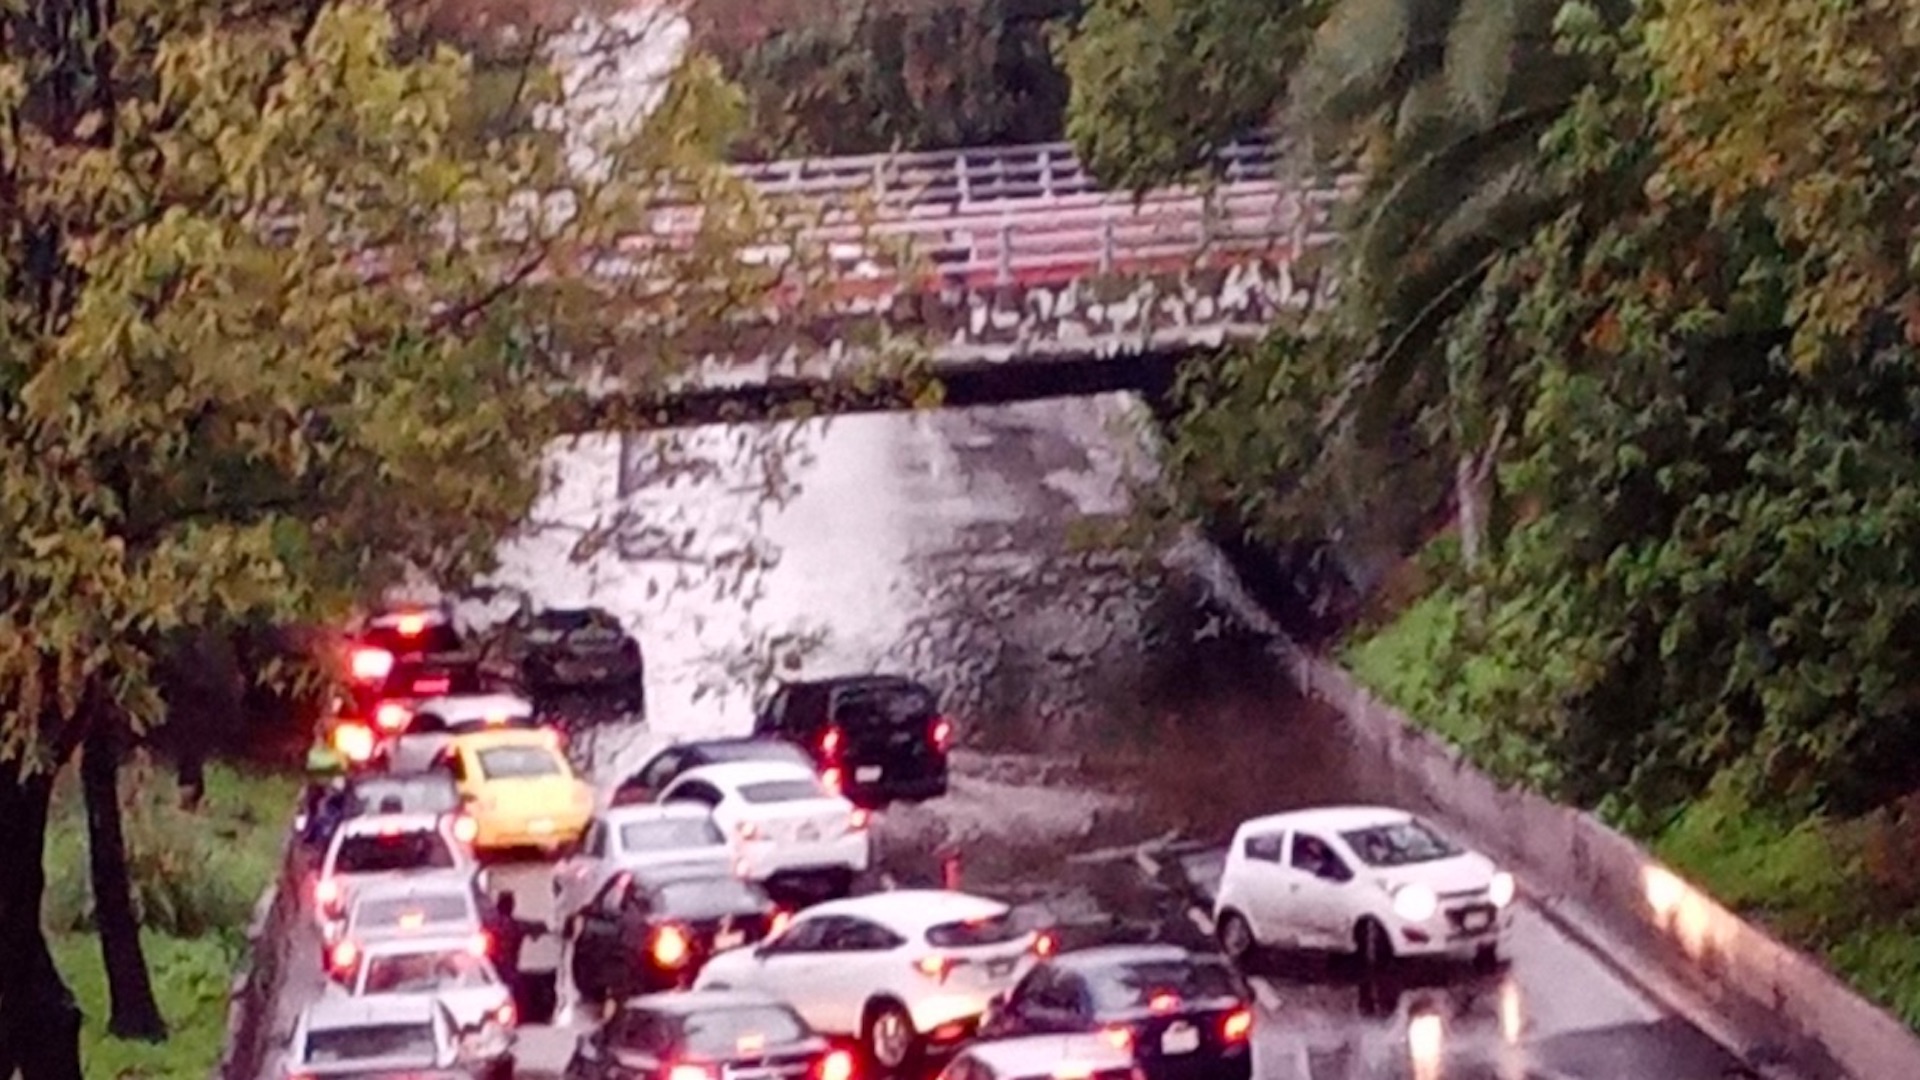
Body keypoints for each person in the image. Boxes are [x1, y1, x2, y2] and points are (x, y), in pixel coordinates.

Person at [485, 891, 549, 1019]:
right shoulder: (515, 925)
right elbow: (538, 927)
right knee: (519, 993)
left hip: (490, 972)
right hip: (507, 970)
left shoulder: (489, 925)